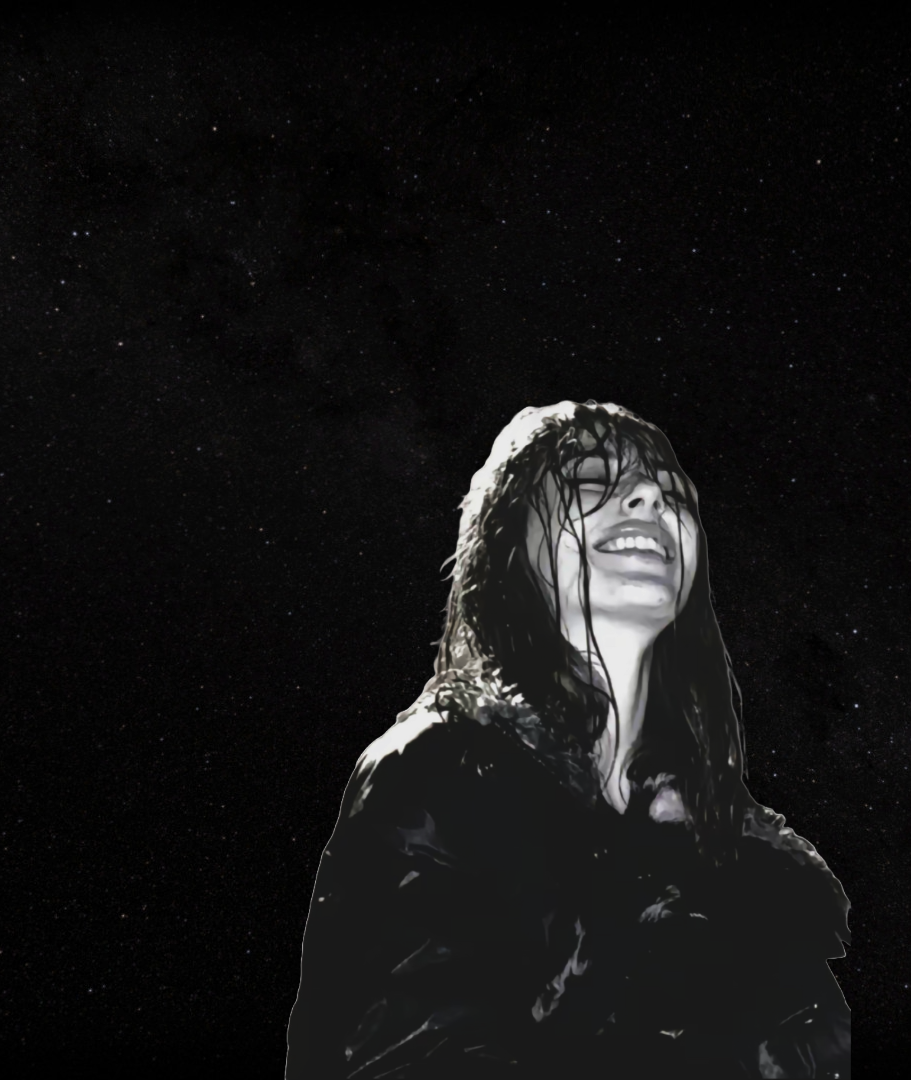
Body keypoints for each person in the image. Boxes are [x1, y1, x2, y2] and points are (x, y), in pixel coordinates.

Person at [286, 401, 851, 1078]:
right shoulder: (436, 773)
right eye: (590, 480)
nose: (649, 498)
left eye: (673, 494)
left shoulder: (747, 857)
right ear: (507, 541)